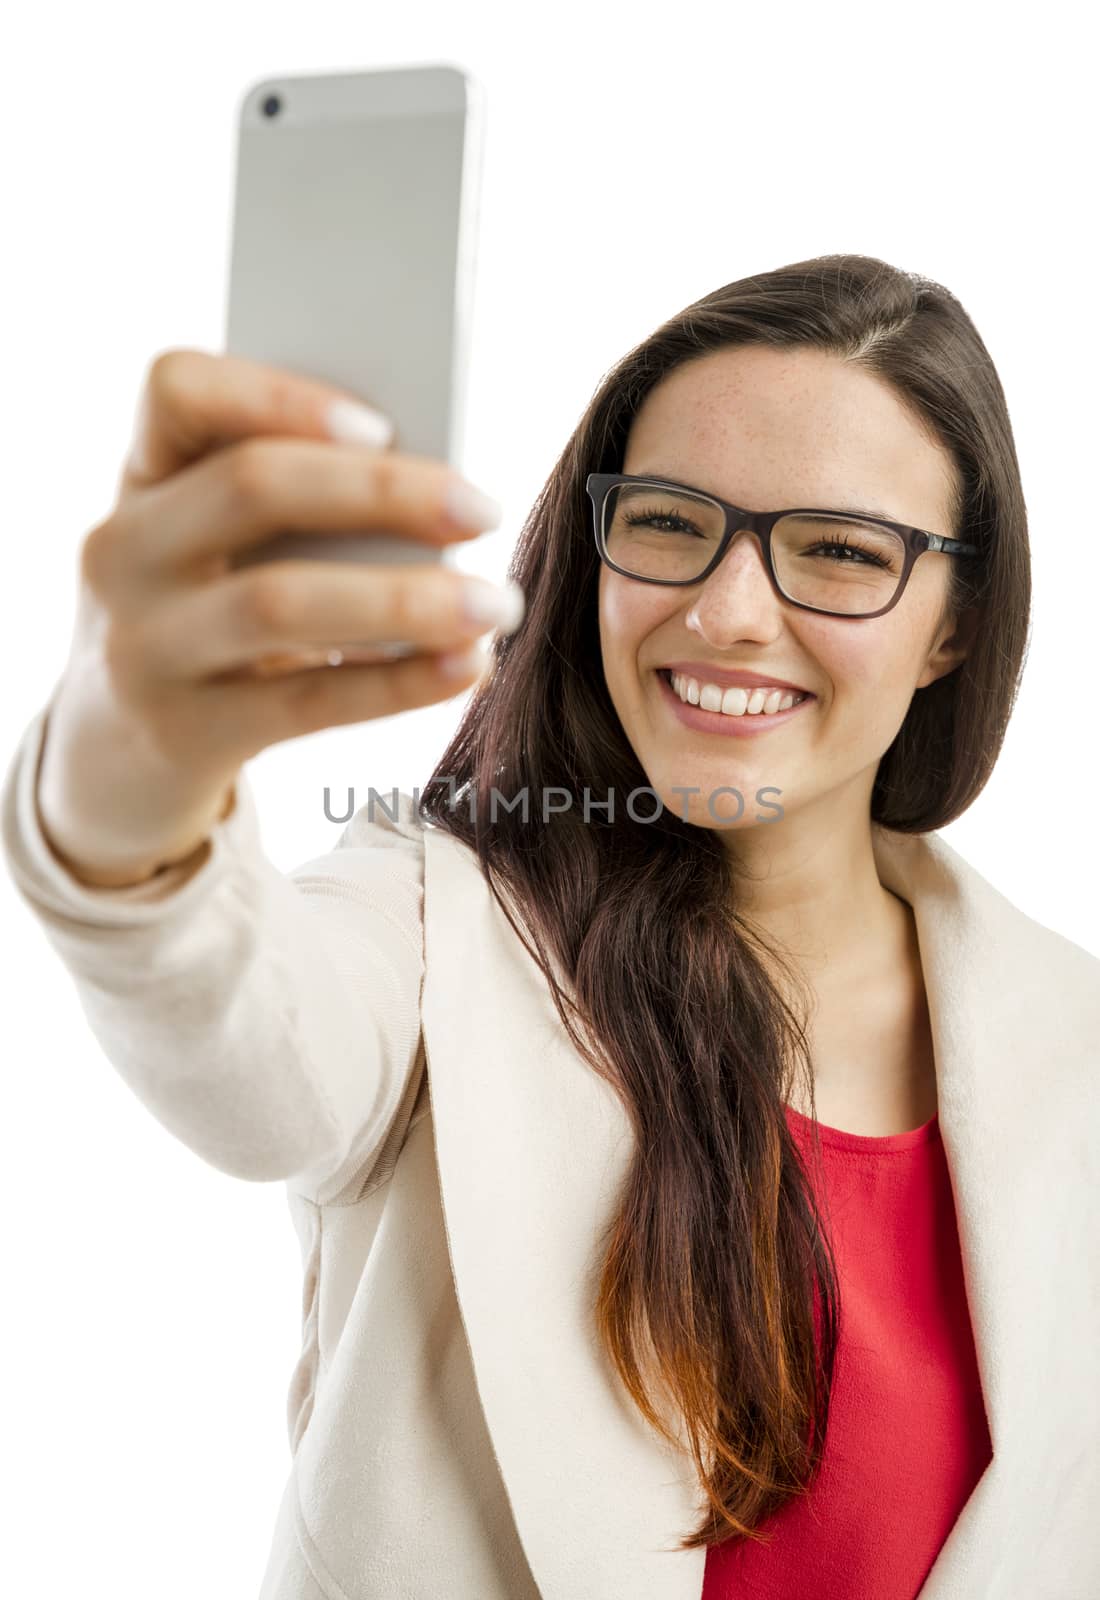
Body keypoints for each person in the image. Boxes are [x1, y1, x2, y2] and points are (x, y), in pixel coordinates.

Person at [3, 252, 1097, 1600]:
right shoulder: (432, 920)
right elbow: (251, 1050)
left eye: (840, 552)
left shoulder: (1073, 1043)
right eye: (668, 520)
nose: (727, 610)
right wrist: (125, 789)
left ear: (953, 628)